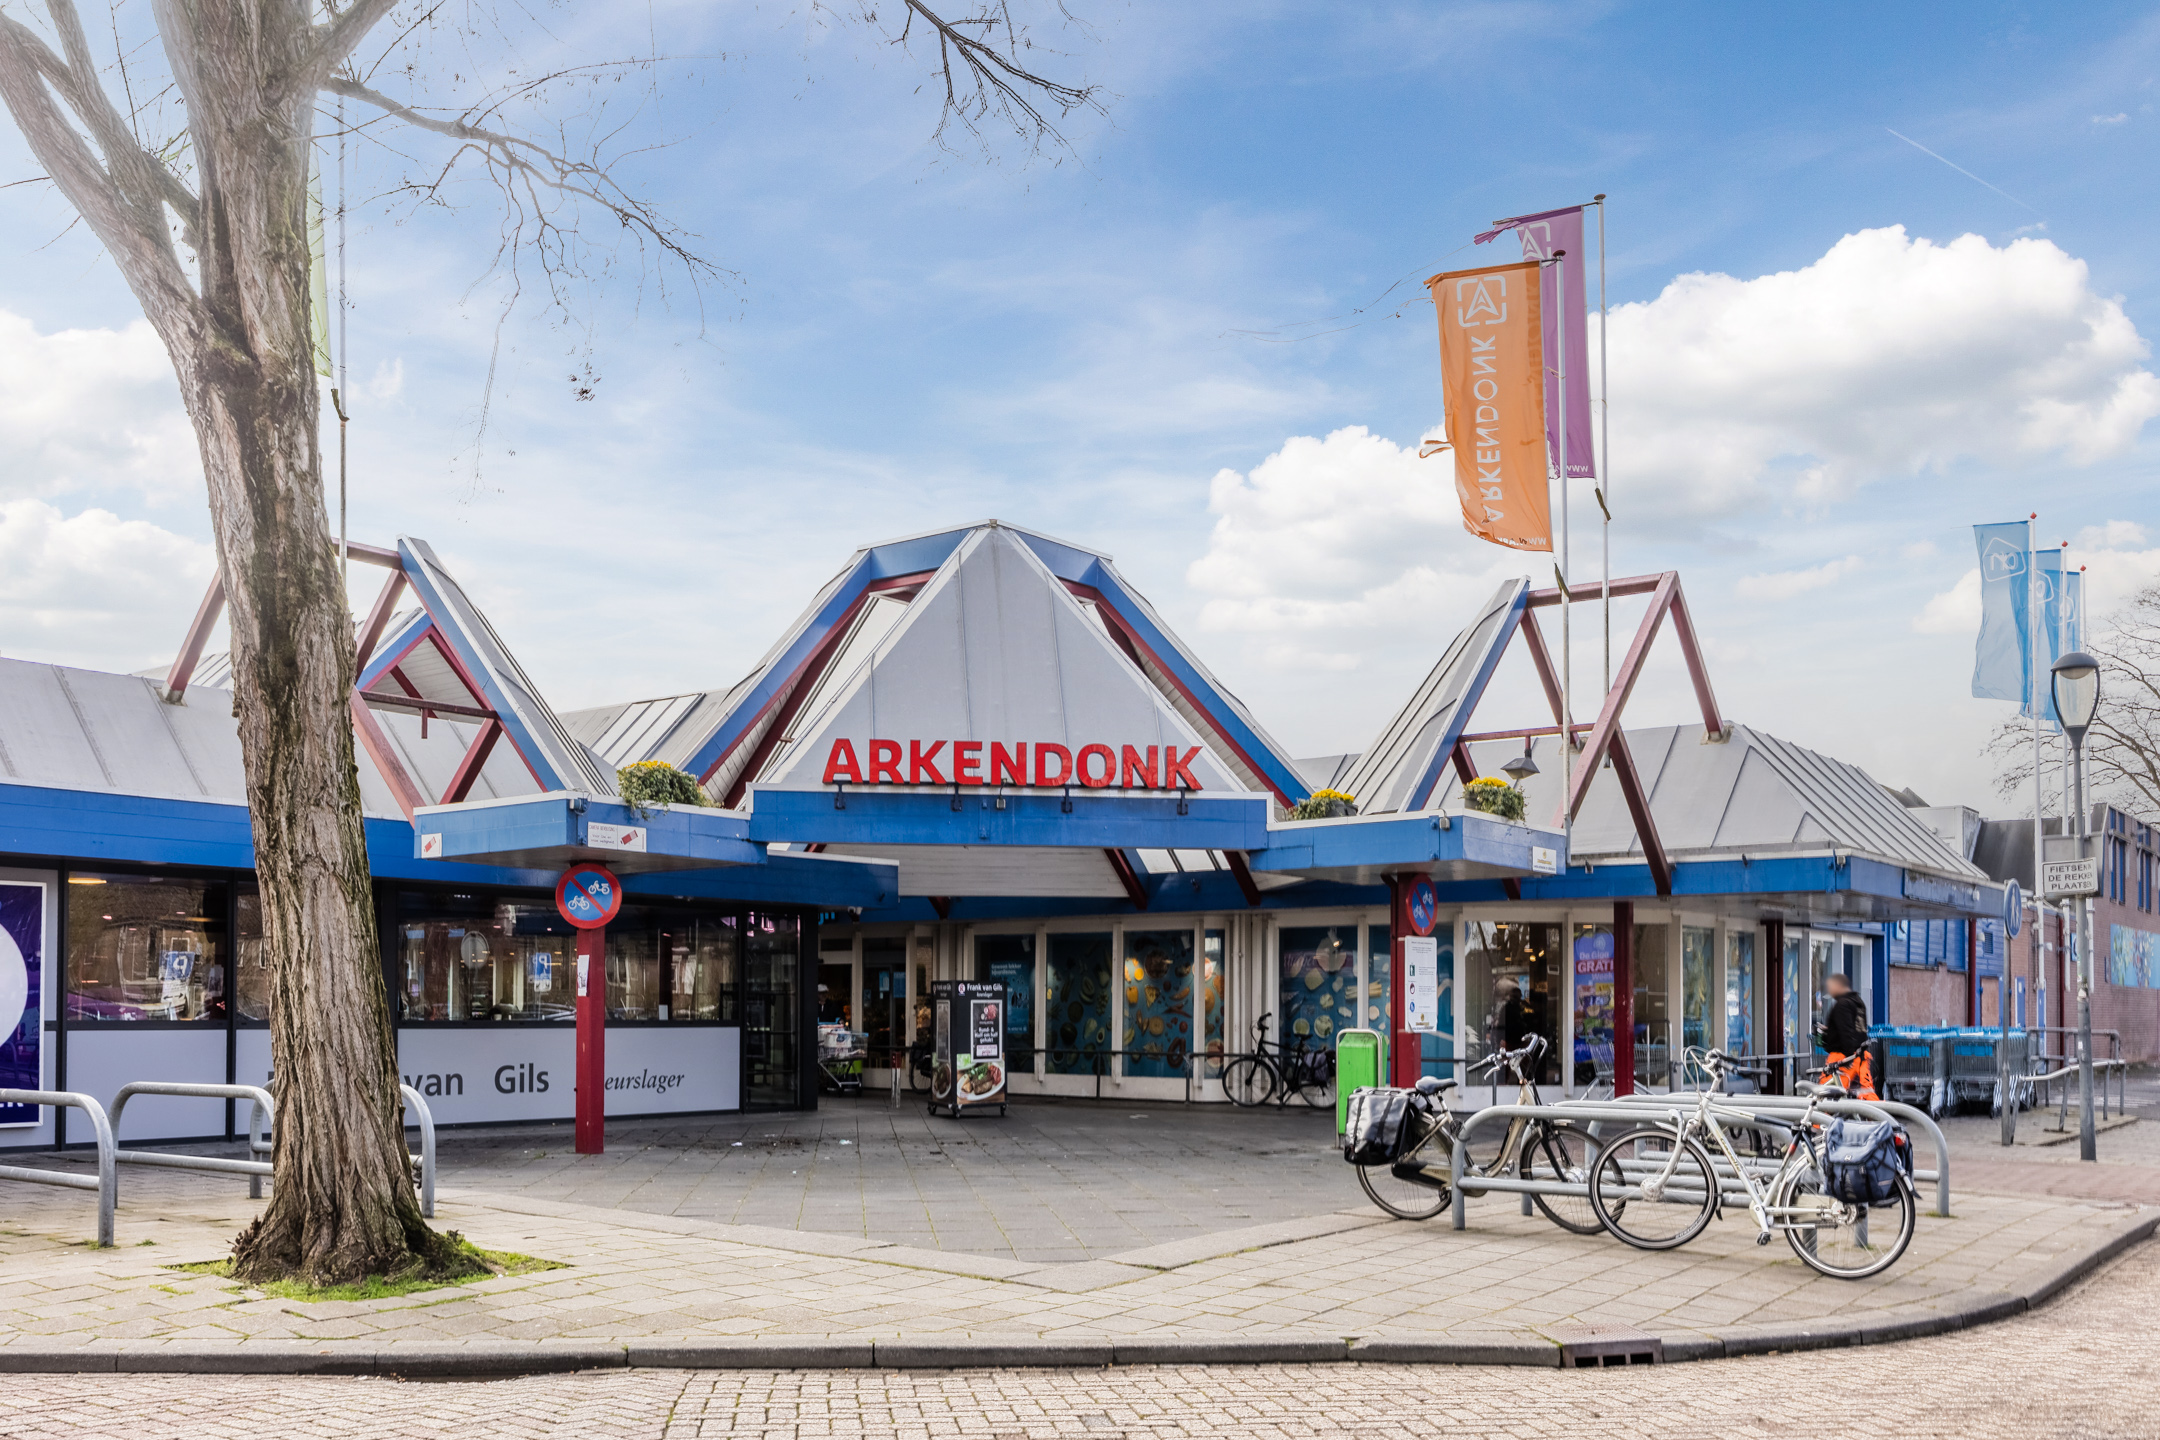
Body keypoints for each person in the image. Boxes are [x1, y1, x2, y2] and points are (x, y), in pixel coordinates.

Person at [1815, 972, 1878, 1101]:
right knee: (1864, 1092)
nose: (1830, 991)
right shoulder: (1858, 1002)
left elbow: (1846, 1032)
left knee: (1825, 1097)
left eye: (1831, 987)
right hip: (1860, 1056)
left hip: (1843, 1058)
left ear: (1839, 985)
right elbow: (1856, 1028)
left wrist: (1848, 1058)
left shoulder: (1842, 1004)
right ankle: (1879, 1112)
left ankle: (1818, 1119)